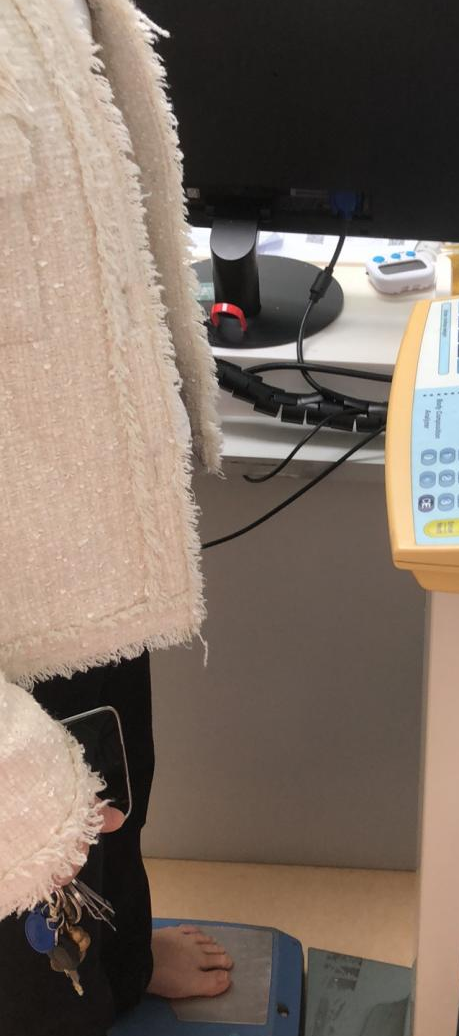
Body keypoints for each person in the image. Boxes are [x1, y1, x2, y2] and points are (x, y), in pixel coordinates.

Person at [0, 0, 230, 1032]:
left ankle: (120, 963)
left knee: (111, 782)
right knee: (28, 836)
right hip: (17, 551)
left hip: (74, 513)